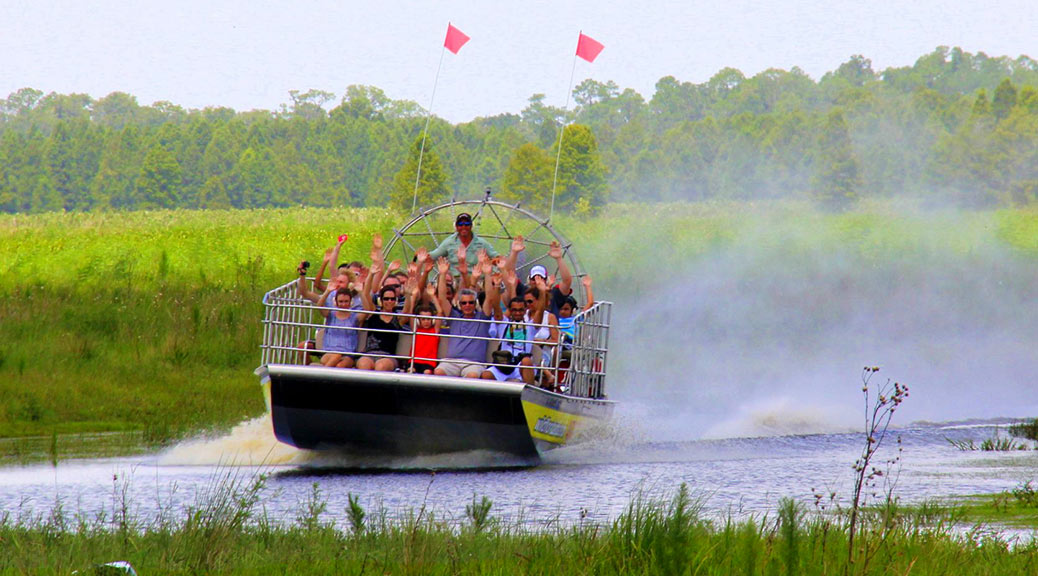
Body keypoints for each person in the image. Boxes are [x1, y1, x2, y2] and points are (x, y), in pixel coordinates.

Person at [433, 256, 499, 378]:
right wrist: (442, 274)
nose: (467, 305)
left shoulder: (482, 318)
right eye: (464, 303)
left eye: (470, 302)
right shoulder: (454, 317)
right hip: (452, 362)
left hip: (474, 364)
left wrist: (488, 274)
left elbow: (489, 298)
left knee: (472, 375)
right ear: (459, 304)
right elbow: (442, 298)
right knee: (438, 372)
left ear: (475, 304)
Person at [482, 295, 547, 384]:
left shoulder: (530, 326)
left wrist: (542, 291)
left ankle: (528, 395)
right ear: (510, 310)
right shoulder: (503, 323)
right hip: (504, 364)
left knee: (527, 360)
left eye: (520, 310)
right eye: (514, 310)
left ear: (525, 310)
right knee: (486, 375)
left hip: (521, 366)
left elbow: (540, 311)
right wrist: (497, 286)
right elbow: (496, 306)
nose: (517, 313)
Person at [427, 212, 500, 280]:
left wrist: (489, 262)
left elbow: (498, 258)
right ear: (456, 226)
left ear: (471, 226)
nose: (463, 227)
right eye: (460, 224)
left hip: (476, 280)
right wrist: (421, 257)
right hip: (455, 281)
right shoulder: (449, 242)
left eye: (467, 224)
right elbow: (433, 256)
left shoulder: (481, 243)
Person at [315, 284, 361, 368]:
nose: (343, 304)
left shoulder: (354, 317)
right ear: (336, 302)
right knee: (336, 356)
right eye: (341, 301)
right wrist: (327, 291)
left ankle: (322, 375)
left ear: (351, 302)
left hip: (347, 355)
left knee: (340, 365)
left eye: (346, 301)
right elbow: (319, 306)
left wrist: (361, 292)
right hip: (329, 353)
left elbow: (369, 309)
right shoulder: (330, 315)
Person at [403, 285, 443, 374]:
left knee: (427, 372)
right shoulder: (416, 329)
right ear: (418, 320)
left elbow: (440, 312)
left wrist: (433, 296)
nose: (426, 322)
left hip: (429, 362)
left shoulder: (435, 331)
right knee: (410, 371)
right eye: (423, 319)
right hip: (414, 361)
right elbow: (411, 313)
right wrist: (412, 298)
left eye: (428, 319)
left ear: (432, 320)